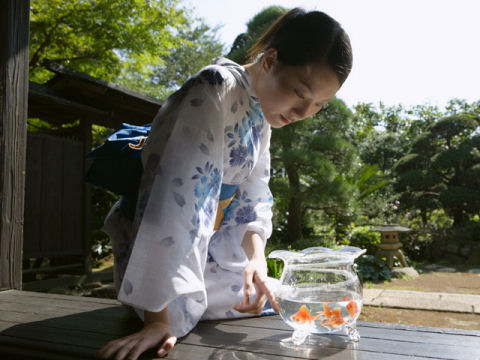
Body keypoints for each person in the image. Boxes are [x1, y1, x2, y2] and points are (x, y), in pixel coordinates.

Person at [96, 7, 352, 360]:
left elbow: (254, 195)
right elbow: (173, 198)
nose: (302, 113)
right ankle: (155, 306)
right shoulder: (214, 88)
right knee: (191, 310)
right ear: (270, 60)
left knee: (284, 295)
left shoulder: (261, 113)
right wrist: (157, 318)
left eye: (318, 105)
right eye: (299, 92)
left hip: (210, 250)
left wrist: (256, 262)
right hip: (157, 253)